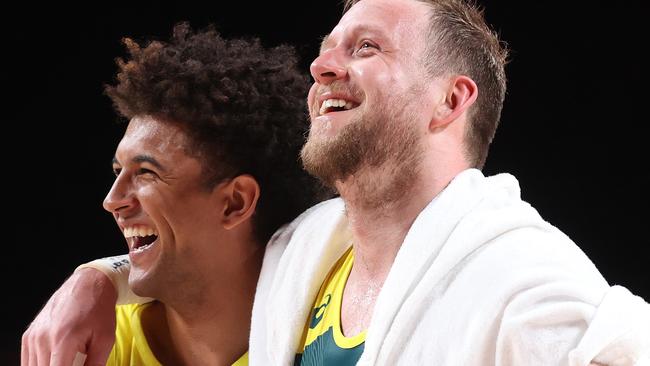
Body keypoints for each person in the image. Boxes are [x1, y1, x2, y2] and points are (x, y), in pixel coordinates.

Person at [24, 0, 650, 365]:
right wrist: (95, 279)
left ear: (450, 100)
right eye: (327, 48)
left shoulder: (526, 281)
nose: (322, 65)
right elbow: (188, 265)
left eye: (367, 48)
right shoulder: (299, 254)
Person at [21, 23, 327, 366]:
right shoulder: (93, 347)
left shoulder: (326, 341)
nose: (112, 200)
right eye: (117, 171)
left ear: (234, 202)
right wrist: (93, 277)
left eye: (146, 172)